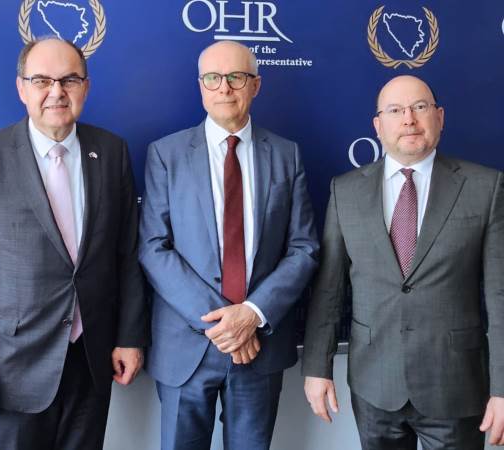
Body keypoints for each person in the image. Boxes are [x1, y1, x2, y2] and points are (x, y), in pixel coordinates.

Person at [0, 37, 148, 450]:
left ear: (86, 87)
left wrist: (130, 336)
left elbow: (126, 255)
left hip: (92, 359)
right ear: (21, 88)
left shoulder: (111, 151)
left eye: (69, 80)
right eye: (42, 81)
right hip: (14, 368)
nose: (57, 92)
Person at [303, 75, 504, 449]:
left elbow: (500, 295)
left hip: (456, 384)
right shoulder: (344, 191)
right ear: (378, 125)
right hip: (374, 383)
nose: (409, 119)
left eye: (420, 107)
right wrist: (317, 367)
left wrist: (502, 388)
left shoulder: (486, 187)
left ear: (440, 117)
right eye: (395, 110)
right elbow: (329, 291)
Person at [139, 40, 319, 450]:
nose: (225, 87)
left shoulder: (287, 155)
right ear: (200, 86)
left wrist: (252, 314)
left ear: (256, 85)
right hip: (186, 348)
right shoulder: (166, 154)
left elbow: (303, 247)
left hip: (260, 346)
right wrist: (225, 324)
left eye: (237, 77)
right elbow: (153, 247)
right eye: (213, 78)